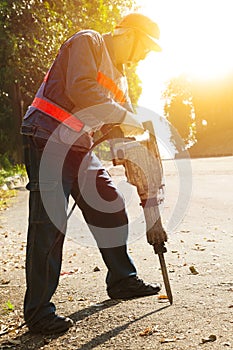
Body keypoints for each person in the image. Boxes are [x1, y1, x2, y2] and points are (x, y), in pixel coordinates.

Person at [20, 13, 167, 335]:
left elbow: (118, 132)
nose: (144, 56)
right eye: (145, 48)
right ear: (129, 34)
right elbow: (82, 89)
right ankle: (38, 312)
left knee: (110, 205)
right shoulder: (89, 41)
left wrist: (138, 166)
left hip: (77, 146)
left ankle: (122, 279)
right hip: (46, 135)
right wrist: (127, 117)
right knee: (50, 223)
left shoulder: (122, 78)